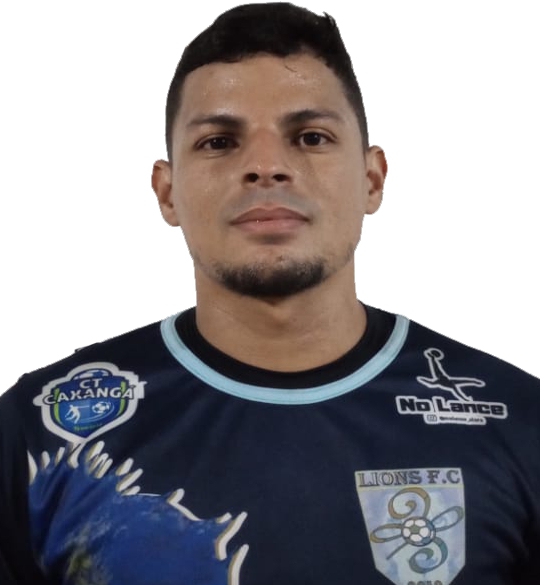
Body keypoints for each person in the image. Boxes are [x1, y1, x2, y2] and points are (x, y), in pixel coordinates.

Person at [0, 3, 539, 584]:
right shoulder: (39, 435)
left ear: (372, 179)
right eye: (218, 142)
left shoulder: (520, 422)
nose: (265, 166)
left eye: (310, 137)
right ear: (167, 192)